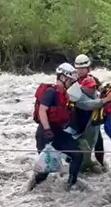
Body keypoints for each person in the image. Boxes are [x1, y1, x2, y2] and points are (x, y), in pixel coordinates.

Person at [27, 63, 84, 191]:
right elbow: (42, 111)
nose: (72, 83)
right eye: (70, 80)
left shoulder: (65, 95)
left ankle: (71, 185)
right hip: (45, 134)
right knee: (45, 170)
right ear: (63, 78)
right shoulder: (50, 92)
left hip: (58, 132)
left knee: (78, 154)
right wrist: (47, 130)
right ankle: (31, 188)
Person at [66, 75, 111, 168]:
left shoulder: (94, 94)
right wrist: (106, 99)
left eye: (94, 86)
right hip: (77, 131)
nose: (93, 88)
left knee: (94, 147)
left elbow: (97, 100)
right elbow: (90, 105)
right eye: (90, 87)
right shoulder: (79, 97)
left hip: (90, 128)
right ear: (83, 87)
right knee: (84, 152)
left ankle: (96, 166)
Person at [73, 54, 107, 170]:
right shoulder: (72, 80)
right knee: (78, 141)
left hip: (92, 116)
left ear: (88, 68)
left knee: (99, 141)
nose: (80, 71)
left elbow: (102, 90)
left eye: (83, 68)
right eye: (78, 69)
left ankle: (100, 164)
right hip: (78, 114)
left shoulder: (93, 80)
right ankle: (80, 164)